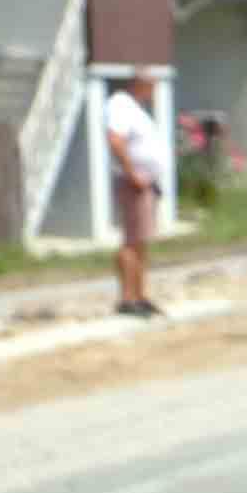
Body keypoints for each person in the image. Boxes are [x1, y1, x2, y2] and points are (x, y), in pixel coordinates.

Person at [99, 64, 169, 318]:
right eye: (151, 86)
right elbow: (115, 140)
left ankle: (140, 295)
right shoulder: (120, 104)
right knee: (131, 241)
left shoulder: (135, 109)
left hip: (146, 183)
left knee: (141, 241)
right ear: (140, 84)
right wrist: (132, 174)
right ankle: (127, 298)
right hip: (133, 183)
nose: (152, 92)